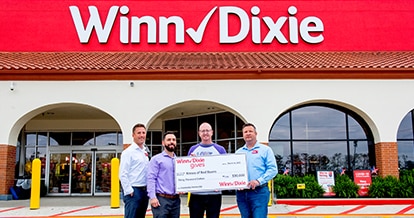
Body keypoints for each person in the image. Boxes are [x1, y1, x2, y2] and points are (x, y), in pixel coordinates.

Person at [235, 123, 278, 218]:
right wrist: (236, 183)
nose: (248, 133)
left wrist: (258, 181)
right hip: (242, 194)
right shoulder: (238, 153)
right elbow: (234, 171)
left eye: (250, 131)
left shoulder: (265, 150)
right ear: (243, 135)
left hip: (259, 192)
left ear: (256, 133)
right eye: (245, 132)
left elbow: (273, 170)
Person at [187, 122, 227, 218]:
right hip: (196, 194)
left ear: (212, 132)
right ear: (199, 133)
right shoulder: (193, 149)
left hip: (214, 193)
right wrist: (191, 162)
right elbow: (187, 171)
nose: (205, 133)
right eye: (203, 131)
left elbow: (226, 170)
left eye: (207, 130)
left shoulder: (220, 150)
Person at [147, 131, 181, 218]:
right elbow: (151, 179)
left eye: (173, 140)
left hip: (176, 200)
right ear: (163, 143)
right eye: (168, 140)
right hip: (161, 200)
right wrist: (152, 197)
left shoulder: (179, 161)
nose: (171, 142)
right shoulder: (156, 159)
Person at [119, 123, 150, 218]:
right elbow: (122, 174)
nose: (141, 135)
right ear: (133, 135)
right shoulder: (128, 152)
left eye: (143, 133)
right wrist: (129, 190)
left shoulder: (145, 151)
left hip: (144, 190)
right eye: (139, 133)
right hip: (134, 191)